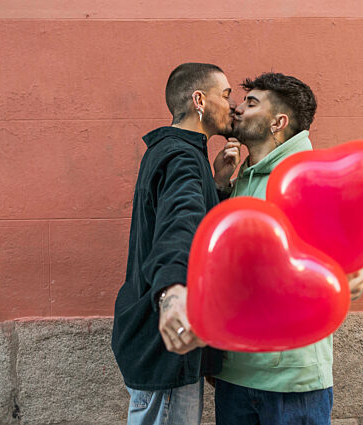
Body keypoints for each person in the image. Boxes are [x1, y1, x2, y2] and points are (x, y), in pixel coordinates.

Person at [213, 72, 363, 425]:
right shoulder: (244, 178)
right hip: (235, 374)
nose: (238, 108)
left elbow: (345, 275)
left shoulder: (311, 179)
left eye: (252, 103)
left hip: (291, 382)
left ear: (278, 123)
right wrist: (221, 187)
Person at [111, 62, 241, 425]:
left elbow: (189, 222)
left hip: (160, 344)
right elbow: (178, 225)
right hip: (167, 344)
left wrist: (216, 185)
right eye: (226, 95)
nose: (232, 105)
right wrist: (174, 292)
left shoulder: (173, 151)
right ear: (199, 100)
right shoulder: (182, 156)